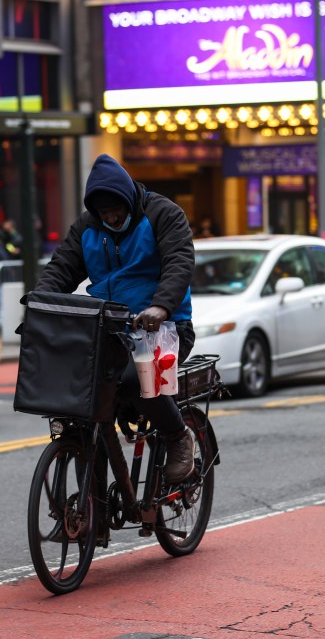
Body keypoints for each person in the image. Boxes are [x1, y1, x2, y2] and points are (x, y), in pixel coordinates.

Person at [34, 154, 197, 483]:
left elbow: (180, 261)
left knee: (140, 381)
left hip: (164, 328)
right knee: (77, 398)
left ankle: (179, 436)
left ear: (128, 199)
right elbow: (61, 269)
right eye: (104, 212)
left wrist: (161, 307)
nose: (111, 217)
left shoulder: (163, 213)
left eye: (116, 210)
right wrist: (39, 305)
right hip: (108, 331)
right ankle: (90, 509)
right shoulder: (87, 227)